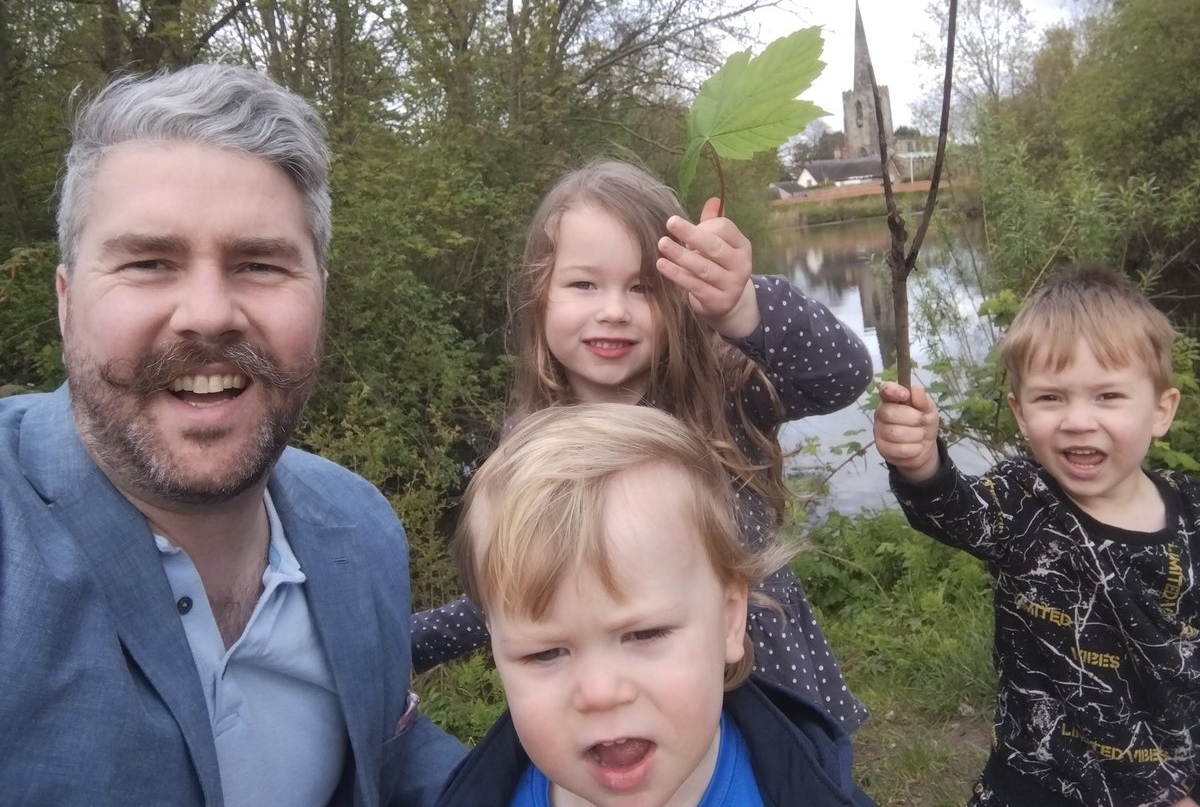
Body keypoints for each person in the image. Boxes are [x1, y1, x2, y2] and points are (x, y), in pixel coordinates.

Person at [0, 63, 465, 805]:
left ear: (320, 294)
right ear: (65, 301)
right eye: (150, 262)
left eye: (259, 264)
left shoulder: (362, 528)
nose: (208, 313)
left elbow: (391, 756)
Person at [413, 159, 874, 733]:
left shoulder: (719, 395)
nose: (613, 309)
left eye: (642, 288)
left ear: (679, 296)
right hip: (632, 716)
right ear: (540, 296)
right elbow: (521, 591)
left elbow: (843, 375)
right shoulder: (530, 451)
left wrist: (742, 308)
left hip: (773, 696)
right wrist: (411, 642)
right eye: (584, 284)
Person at [435, 403, 876, 806]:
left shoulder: (808, 789)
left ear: (728, 621)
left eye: (644, 634)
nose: (600, 693)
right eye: (545, 653)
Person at [873, 263, 1200, 807]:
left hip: (1170, 782)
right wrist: (920, 461)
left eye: (1108, 397)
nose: (1077, 420)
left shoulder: (1192, 511)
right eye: (1051, 398)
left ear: (1161, 411)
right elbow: (953, 507)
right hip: (1036, 780)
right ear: (1020, 415)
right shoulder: (1023, 500)